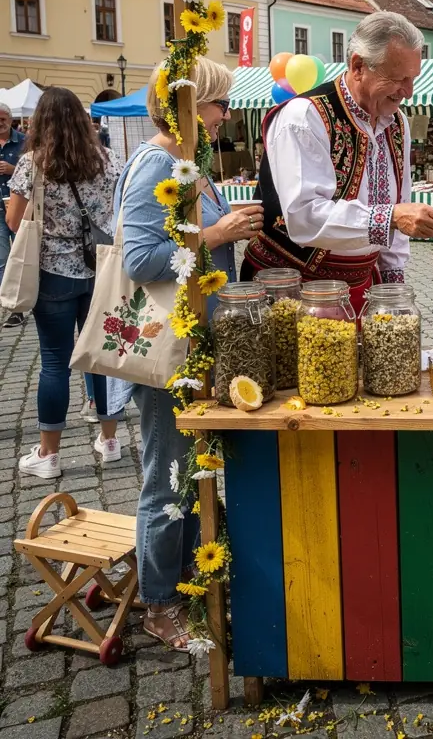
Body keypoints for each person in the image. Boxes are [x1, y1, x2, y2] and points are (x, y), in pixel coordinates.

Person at [112, 57, 261, 649]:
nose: (225, 115)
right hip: (169, 348)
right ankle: (158, 602)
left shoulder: (185, 163)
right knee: (167, 473)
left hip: (194, 340)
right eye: (217, 103)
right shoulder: (156, 164)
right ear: (185, 106)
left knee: (188, 468)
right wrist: (218, 235)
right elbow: (140, 260)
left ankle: (192, 579)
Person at [241, 12, 433, 307]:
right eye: (398, 79)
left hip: (361, 285)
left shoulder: (396, 122)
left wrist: (392, 289)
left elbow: (398, 204)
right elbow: (305, 216)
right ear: (358, 66)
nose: (408, 92)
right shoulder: (304, 116)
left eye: (412, 79)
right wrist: (390, 217)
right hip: (293, 288)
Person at [6, 88, 123, 478]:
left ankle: (49, 455)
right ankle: (110, 442)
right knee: (102, 356)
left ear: (41, 121)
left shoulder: (32, 164)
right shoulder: (107, 160)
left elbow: (13, 222)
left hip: (53, 273)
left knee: (55, 362)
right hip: (101, 270)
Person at [0, 101, 27, 327]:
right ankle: (12, 307)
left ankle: (22, 303)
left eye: (3, 119)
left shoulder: (24, 142)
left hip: (19, 205)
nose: (0, 123)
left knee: (21, 256)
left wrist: (12, 169)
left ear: (10, 119)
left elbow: (35, 167)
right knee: (1, 260)